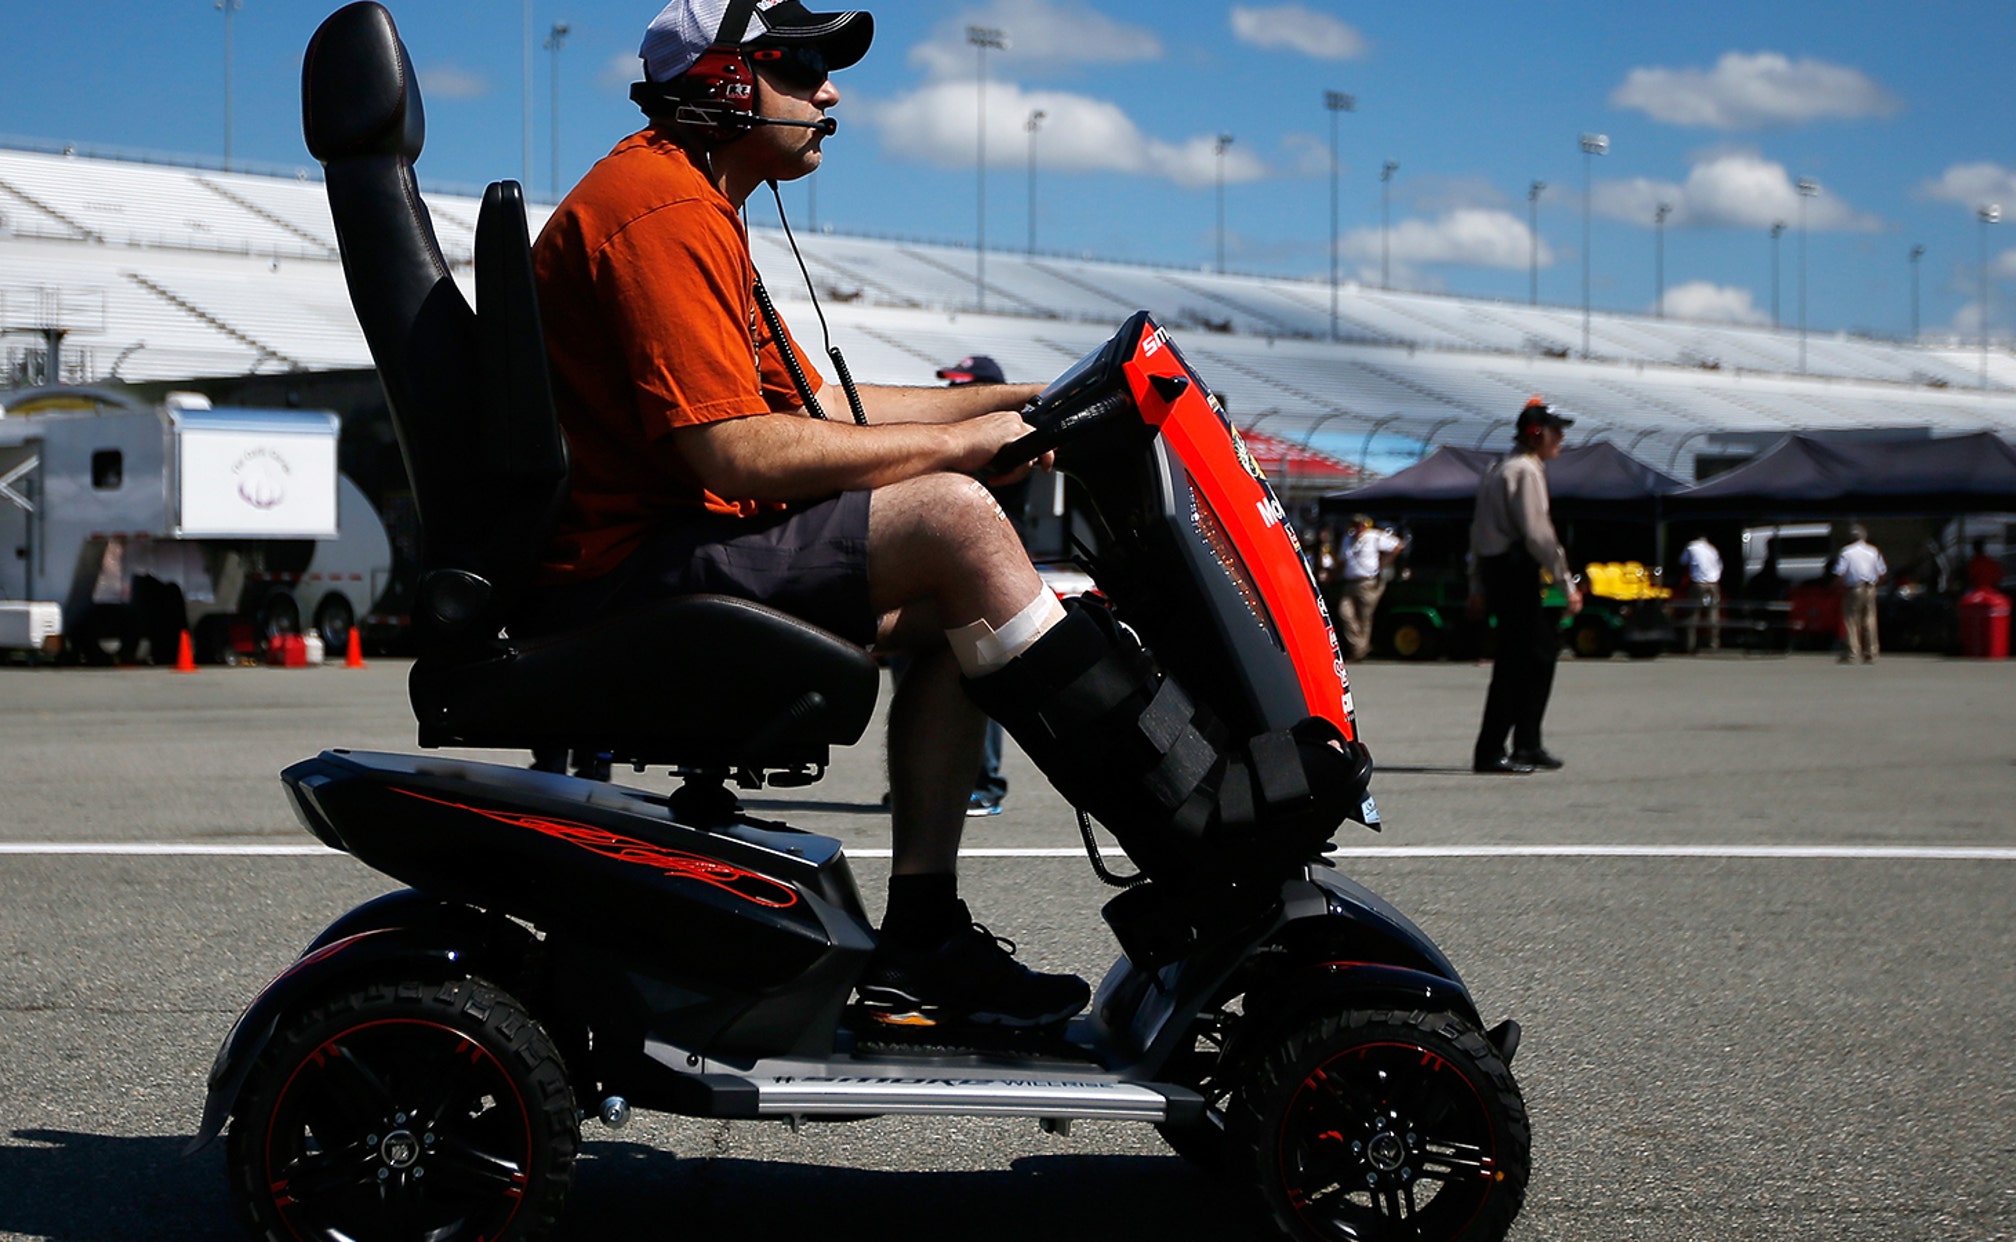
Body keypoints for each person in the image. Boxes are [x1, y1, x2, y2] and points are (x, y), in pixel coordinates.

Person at [529, 0, 1087, 1029]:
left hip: (663, 556)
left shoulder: (696, 206)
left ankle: (922, 937)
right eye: (801, 65)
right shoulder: (662, 210)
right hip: (634, 572)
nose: (830, 92)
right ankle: (1174, 822)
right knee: (956, 520)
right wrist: (961, 451)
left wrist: (1015, 405)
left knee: (955, 615)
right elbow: (735, 450)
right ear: (725, 83)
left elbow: (819, 412)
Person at [1467, 397, 1582, 774]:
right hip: (1517, 571)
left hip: (1498, 569)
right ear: (1536, 434)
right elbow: (1539, 534)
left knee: (1536, 655)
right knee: (1519, 661)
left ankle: (1526, 743)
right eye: (1556, 431)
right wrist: (1566, 583)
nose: (1561, 438)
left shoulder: (1497, 467)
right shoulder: (1526, 471)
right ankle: (1494, 748)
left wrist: (1477, 585)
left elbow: (1477, 534)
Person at [935, 354, 1019, 817]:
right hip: (941, 580)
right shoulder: (957, 445)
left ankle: (985, 784)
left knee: (975, 679)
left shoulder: (1001, 451)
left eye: (962, 387)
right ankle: (931, 780)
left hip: (984, 583)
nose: (952, 397)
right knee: (924, 675)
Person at [1336, 514, 1402, 662]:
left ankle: (1359, 651)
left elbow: (1397, 545)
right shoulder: (1348, 539)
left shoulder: (1373, 536)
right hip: (1350, 582)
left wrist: (1384, 562)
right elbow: (1341, 560)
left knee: (1364, 617)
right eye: (1355, 524)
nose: (1358, 528)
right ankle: (1360, 645)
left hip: (1367, 582)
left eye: (1361, 525)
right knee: (1344, 613)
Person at [1832, 525, 1886, 663]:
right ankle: (1871, 652)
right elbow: (1882, 572)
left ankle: (1852, 651)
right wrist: (1876, 585)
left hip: (1853, 588)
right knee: (1869, 619)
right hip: (1870, 587)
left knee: (1851, 620)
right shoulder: (1873, 551)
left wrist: (1839, 586)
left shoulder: (1846, 552)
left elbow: (1840, 573)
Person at [1678, 532, 1724, 653]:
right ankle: (1713, 643)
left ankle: (1690, 644)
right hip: (1713, 583)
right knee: (1713, 613)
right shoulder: (1712, 548)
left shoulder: (1691, 546)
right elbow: (1719, 566)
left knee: (1693, 614)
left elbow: (1682, 561)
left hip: (1698, 583)